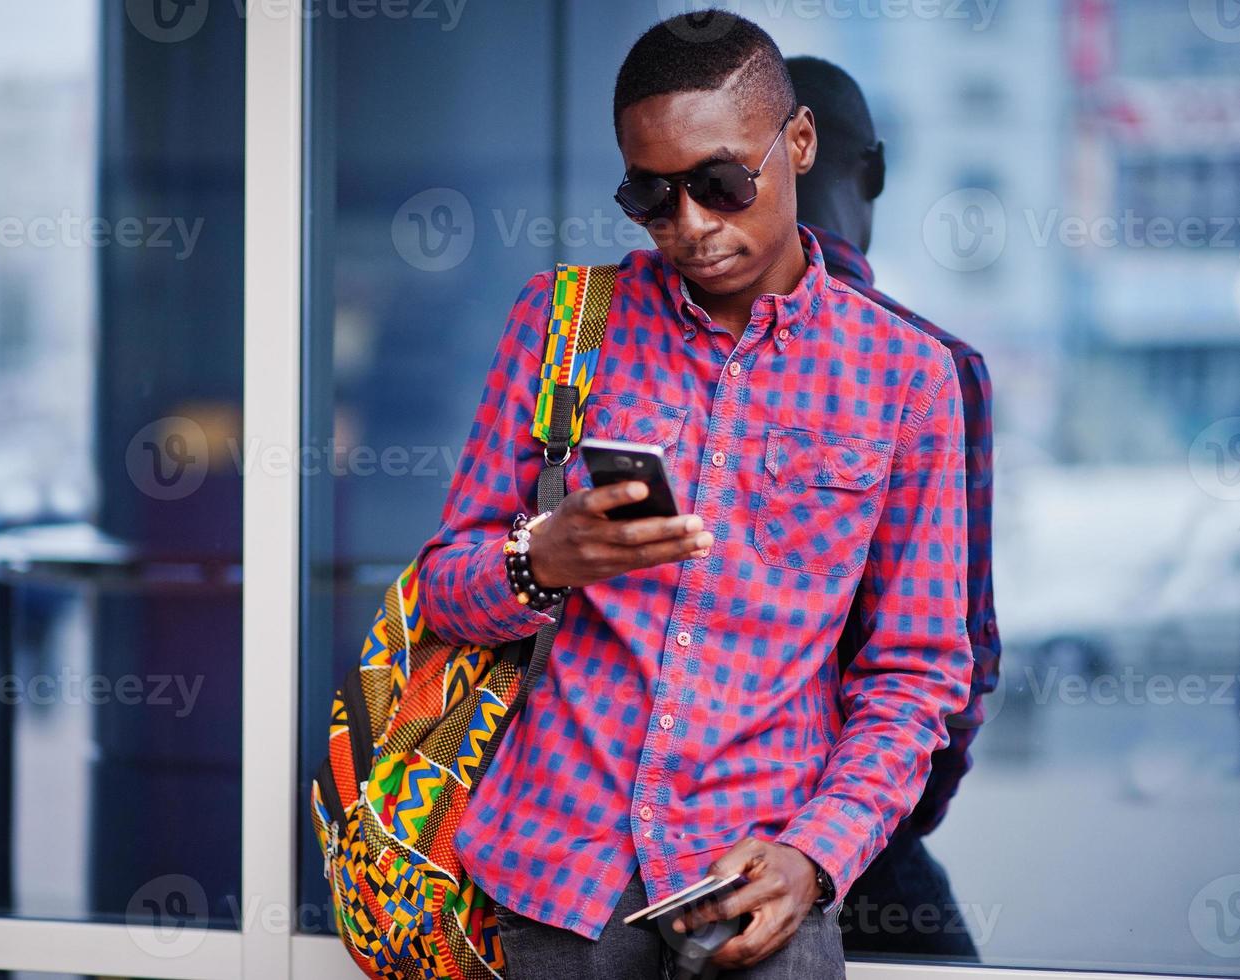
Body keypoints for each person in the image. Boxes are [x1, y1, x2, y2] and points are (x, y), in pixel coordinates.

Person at [414, 13, 973, 978]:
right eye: (651, 195)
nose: (692, 227)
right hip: (555, 881)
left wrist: (818, 855)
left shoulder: (907, 378)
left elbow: (914, 676)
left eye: (719, 184)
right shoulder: (560, 327)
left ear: (796, 144)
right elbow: (442, 587)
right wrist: (537, 561)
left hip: (758, 883)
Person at [786, 55, 1001, 961]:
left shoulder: (644, 354)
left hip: (667, 835)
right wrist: (886, 820)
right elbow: (962, 659)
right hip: (855, 825)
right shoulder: (934, 366)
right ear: (868, 172)